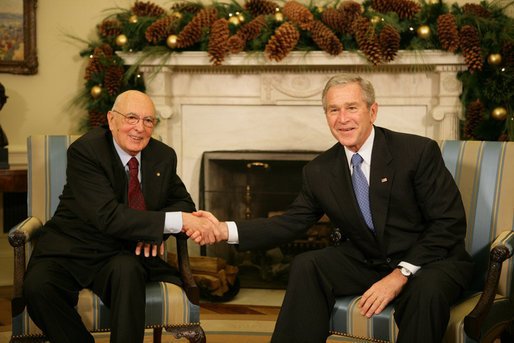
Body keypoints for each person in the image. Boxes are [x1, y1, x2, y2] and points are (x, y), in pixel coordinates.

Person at [189, 74, 474, 343]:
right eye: (333, 110)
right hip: (372, 260)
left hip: (432, 261)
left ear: (372, 111)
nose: (342, 119)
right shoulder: (320, 170)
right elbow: (290, 222)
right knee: (308, 264)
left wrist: (400, 274)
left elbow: (448, 223)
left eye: (351, 107)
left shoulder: (416, 152)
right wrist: (224, 229)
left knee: (425, 292)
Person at [23, 90, 216, 343]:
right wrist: (162, 224)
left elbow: (183, 202)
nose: (140, 128)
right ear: (111, 119)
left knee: (129, 273)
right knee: (37, 288)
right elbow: (107, 216)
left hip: (122, 252)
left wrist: (152, 231)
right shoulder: (86, 151)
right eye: (132, 118)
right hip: (73, 246)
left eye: (148, 120)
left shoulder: (162, 155)